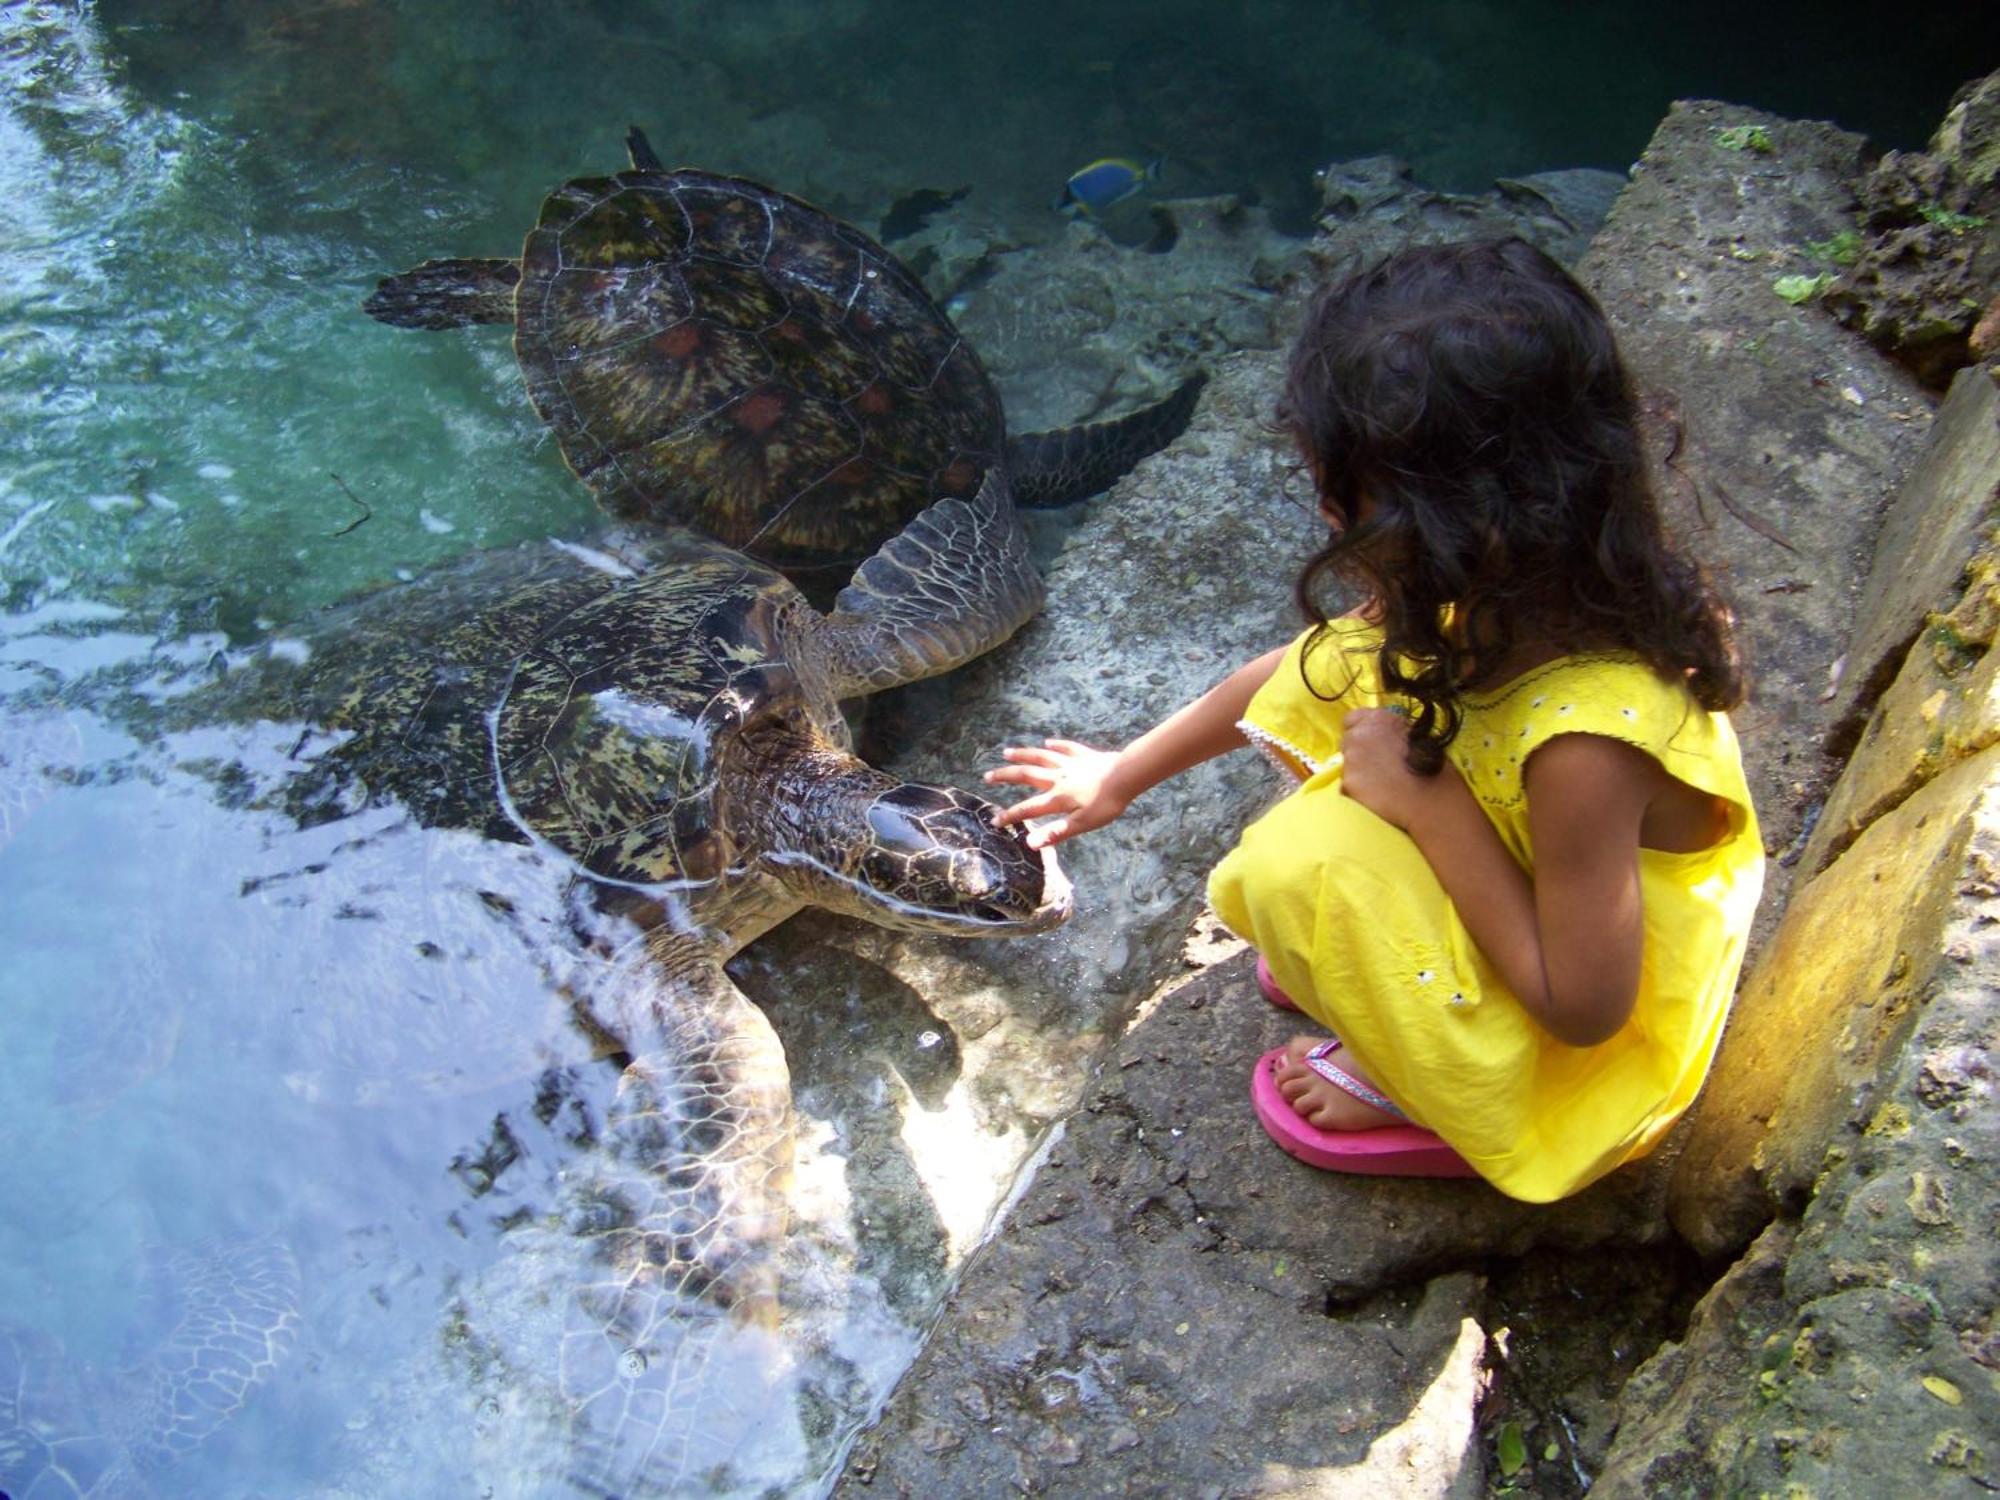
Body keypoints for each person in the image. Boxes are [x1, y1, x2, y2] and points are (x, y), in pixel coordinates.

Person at [983, 238, 1765, 1203]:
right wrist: (1121, 774)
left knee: (1296, 862)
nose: (1320, 510)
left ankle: (1429, 1088)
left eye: (1335, 496)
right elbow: (1302, 671)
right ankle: (1406, 975)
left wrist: (1428, 808)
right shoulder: (1525, 583)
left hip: (1587, 1034)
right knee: (1356, 690)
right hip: (1536, 871)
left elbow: (1587, 1008)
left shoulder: (1587, 747)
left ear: (1447, 525)